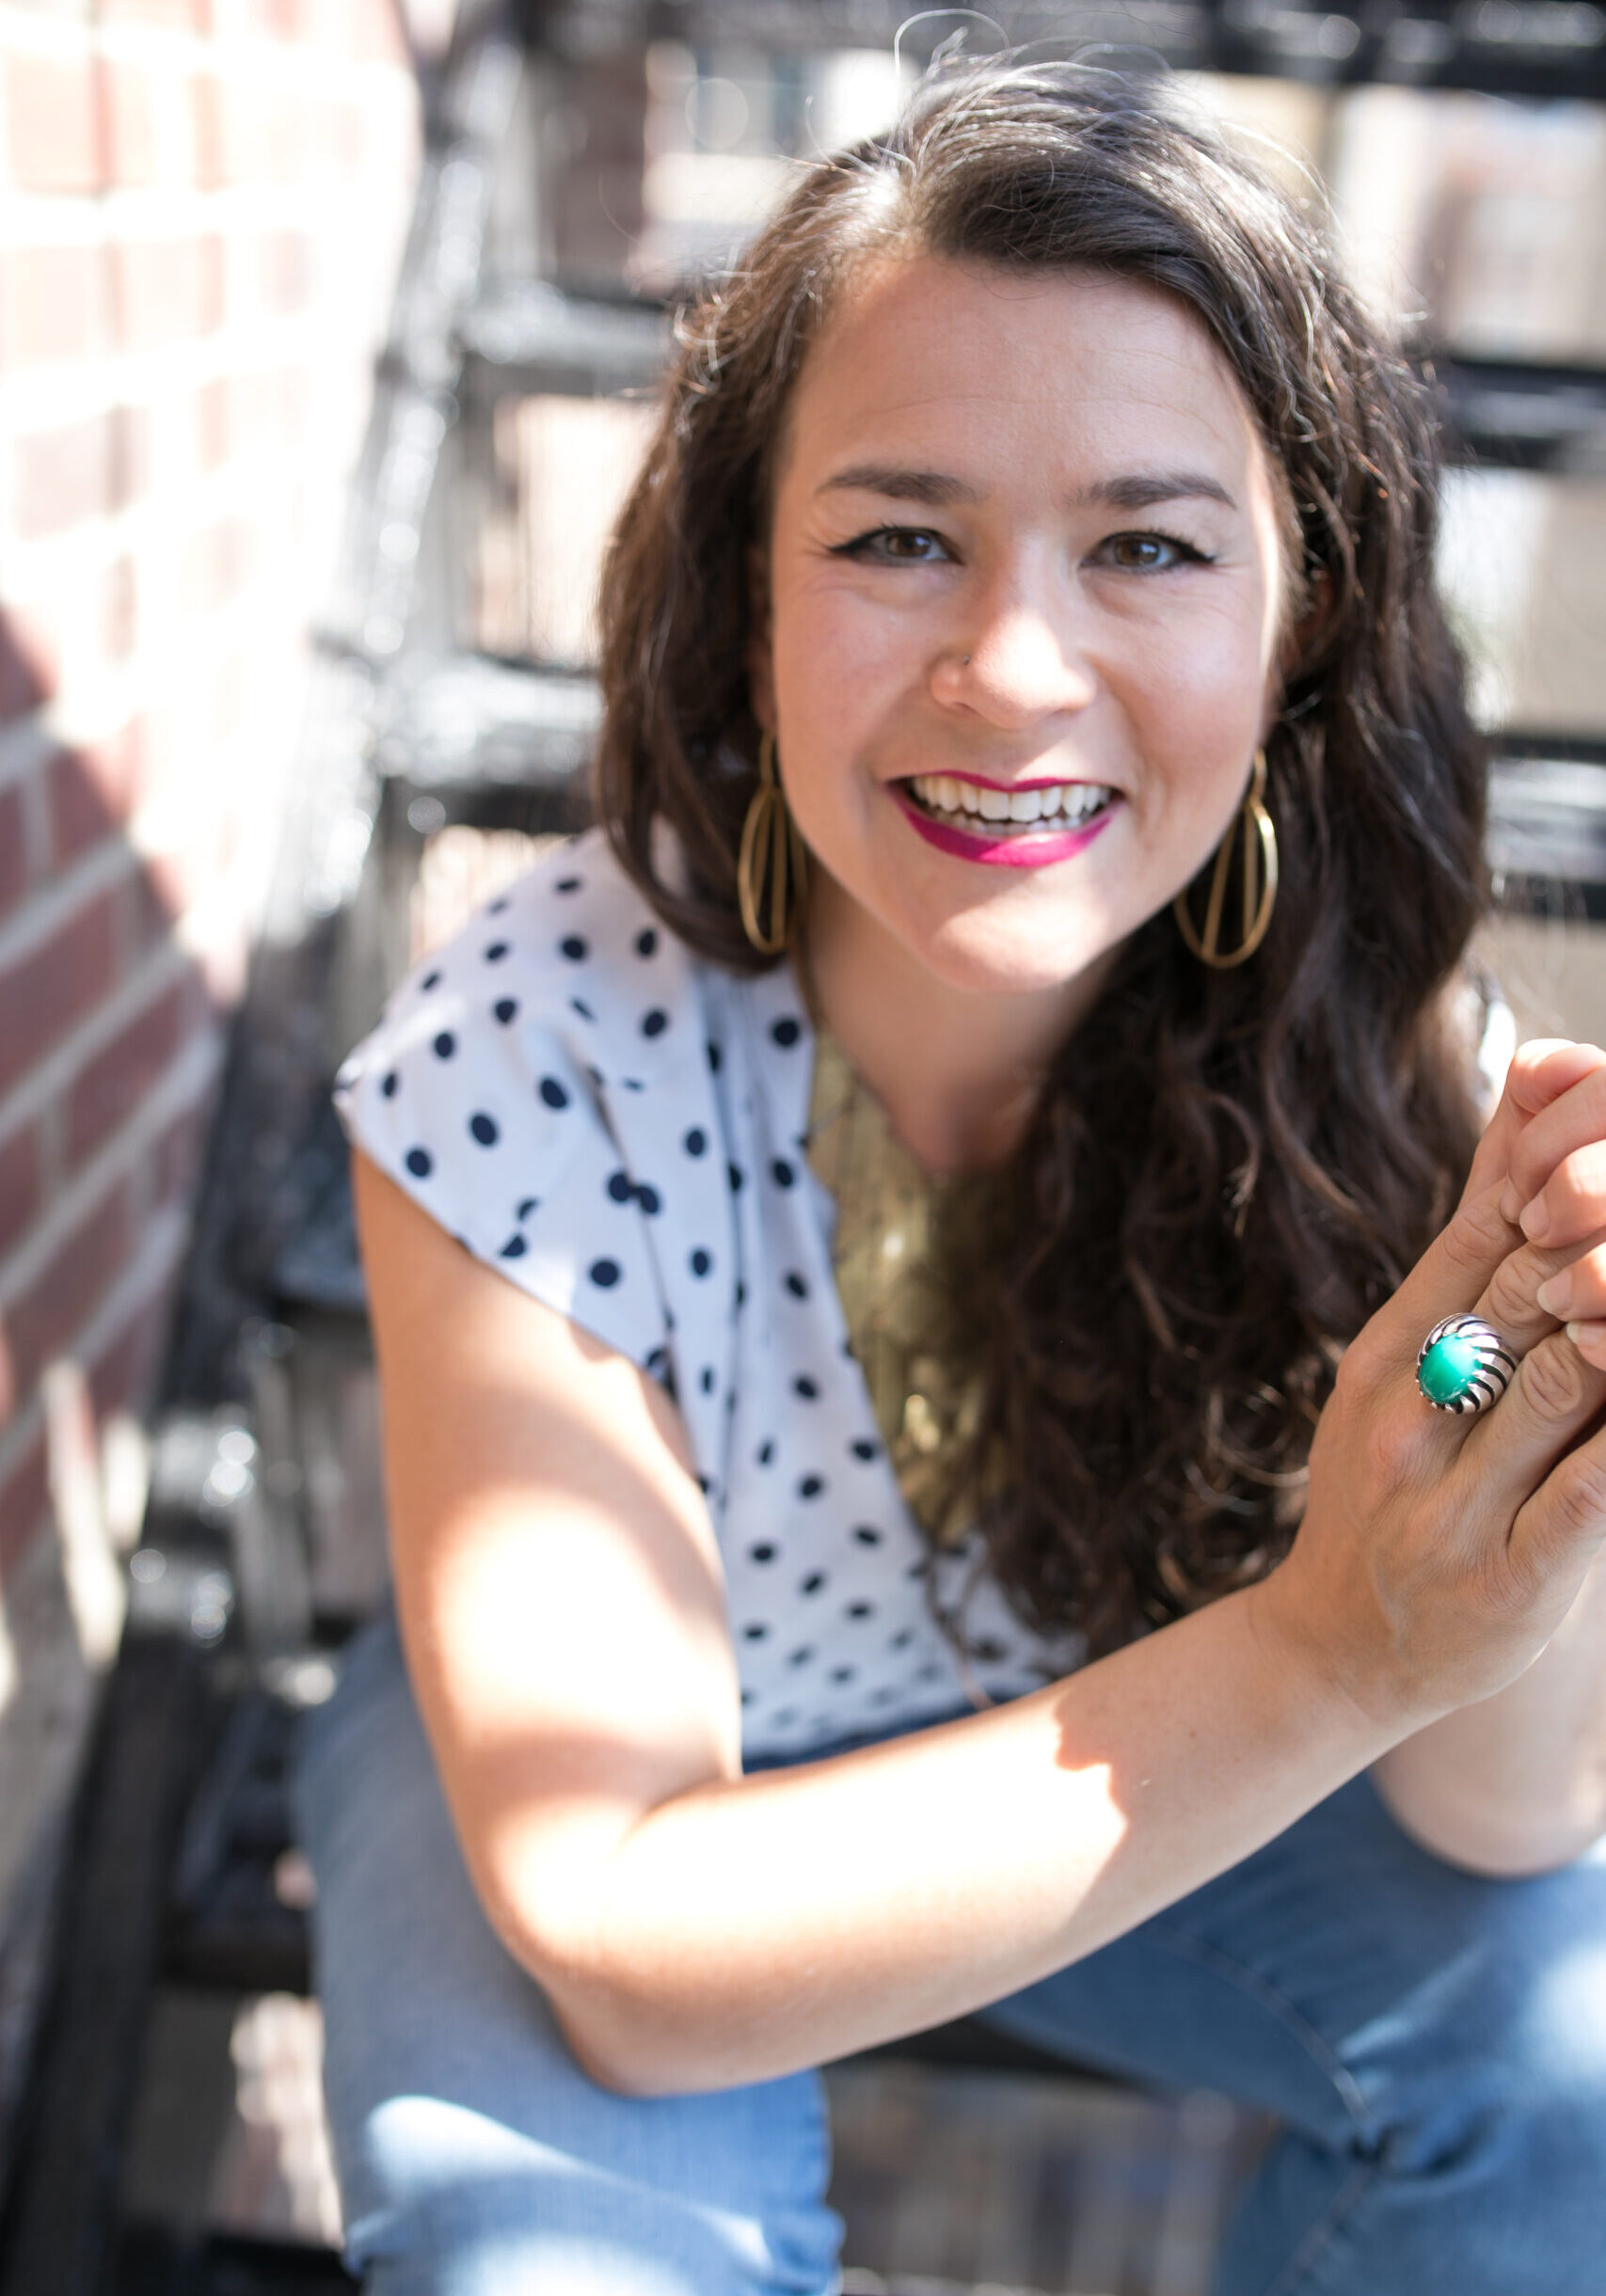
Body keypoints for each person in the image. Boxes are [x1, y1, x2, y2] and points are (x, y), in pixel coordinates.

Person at [298, 57, 1606, 2296]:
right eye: (899, 536)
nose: (1010, 670)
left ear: (1297, 623)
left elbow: (1500, 1821)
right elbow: (620, 1932)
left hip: (1109, 1727)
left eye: (1146, 546)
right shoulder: (537, 1046)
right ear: (744, 589)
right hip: (621, 1790)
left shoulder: (1371, 1055)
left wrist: (1533, 1421)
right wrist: (1316, 1648)